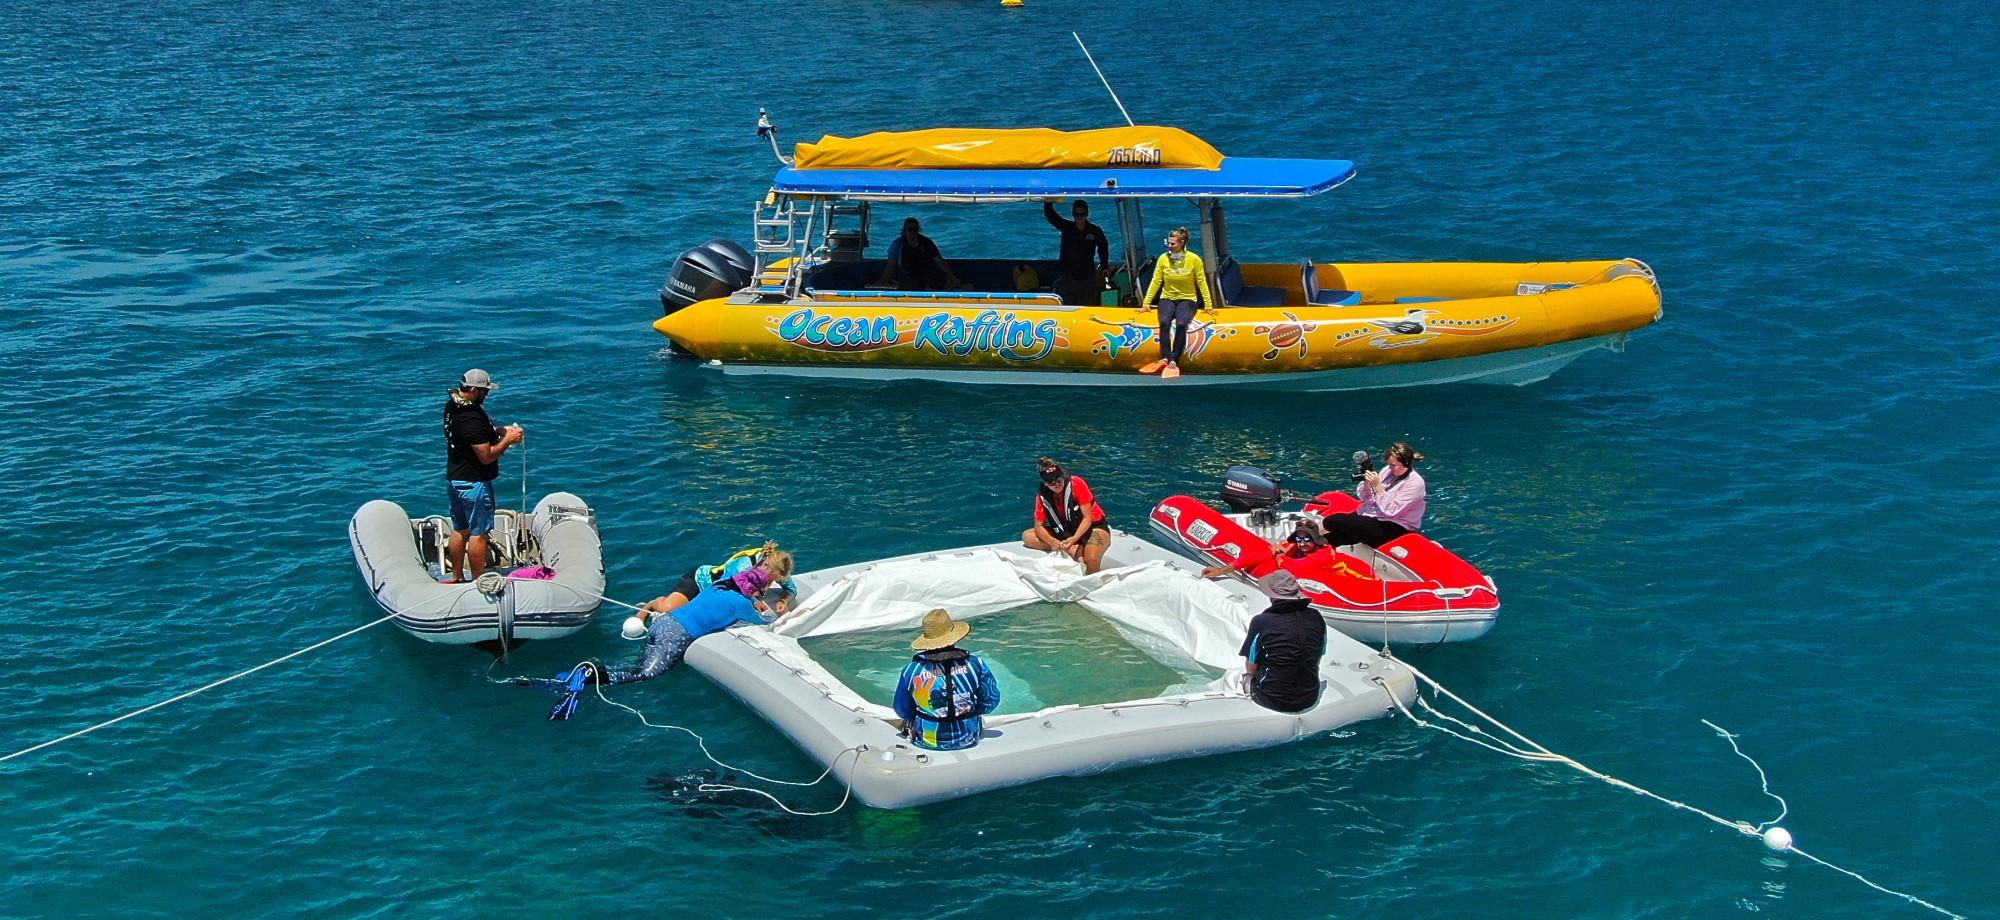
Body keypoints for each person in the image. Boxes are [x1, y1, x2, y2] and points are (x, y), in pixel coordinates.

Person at [441, 369, 523, 584]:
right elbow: (485, 456)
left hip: (455, 477)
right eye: (485, 391)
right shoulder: (472, 417)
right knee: (479, 533)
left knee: (460, 529)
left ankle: (458, 576)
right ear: (475, 390)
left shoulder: (453, 406)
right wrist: (508, 440)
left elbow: (471, 438)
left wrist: (498, 432)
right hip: (474, 483)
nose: (487, 395)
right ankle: (479, 580)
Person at [893, 609, 1002, 751]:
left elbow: (902, 710)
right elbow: (991, 701)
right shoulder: (975, 665)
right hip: (968, 738)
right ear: (954, 637)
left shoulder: (911, 671)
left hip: (926, 741)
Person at [1238, 571, 1327, 713]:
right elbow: (1317, 654)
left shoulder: (1261, 621)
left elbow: (1251, 666)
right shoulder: (1316, 616)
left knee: (1238, 676)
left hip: (1271, 699)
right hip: (1310, 696)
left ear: (1272, 596)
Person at [647, 541, 799, 618]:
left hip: (721, 593)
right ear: (766, 565)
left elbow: (791, 589)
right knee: (668, 609)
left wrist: (783, 601)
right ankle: (651, 604)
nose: (771, 580)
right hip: (701, 582)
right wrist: (754, 601)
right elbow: (729, 585)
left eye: (776, 579)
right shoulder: (745, 565)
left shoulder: (779, 568)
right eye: (770, 577)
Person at [1137, 226, 1212, 380]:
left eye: (1172, 244)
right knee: (1164, 321)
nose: (1169, 246)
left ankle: (1174, 360)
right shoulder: (1163, 259)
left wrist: (1208, 305)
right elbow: (1156, 281)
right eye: (1168, 243)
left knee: (1181, 323)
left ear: (1182, 243)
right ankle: (1165, 357)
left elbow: (1201, 282)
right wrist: (1146, 303)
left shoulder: (1194, 259)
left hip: (1187, 299)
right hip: (1167, 298)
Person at [1321, 441, 1427, 548]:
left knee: (1333, 520)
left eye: (1393, 465)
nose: (1389, 468)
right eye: (1389, 464)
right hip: (1374, 515)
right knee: (1334, 537)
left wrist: (1378, 486)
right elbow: (1365, 497)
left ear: (1406, 463)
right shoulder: (1388, 471)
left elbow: (1391, 511)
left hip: (1394, 525)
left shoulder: (1415, 483)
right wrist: (1367, 484)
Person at [1022, 456, 1110, 574]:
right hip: (1067, 533)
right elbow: (1038, 526)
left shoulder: (1077, 484)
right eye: (1051, 482)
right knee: (1027, 536)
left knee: (1092, 560)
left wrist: (1074, 539)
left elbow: (1087, 518)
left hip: (1093, 528)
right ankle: (1072, 550)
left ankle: (1092, 585)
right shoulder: (1042, 496)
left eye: (1059, 479)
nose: (1057, 484)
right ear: (1046, 484)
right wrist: (1053, 542)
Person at [1201, 517, 1327, 578]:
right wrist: (1221, 571)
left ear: (1316, 540)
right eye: (1299, 538)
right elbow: (1258, 556)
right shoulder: (1293, 546)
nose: (1302, 543)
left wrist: (1279, 554)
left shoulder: (1323, 554)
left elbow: (1288, 567)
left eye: (1307, 539)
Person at [1043, 199, 1110, 306]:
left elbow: (1103, 248)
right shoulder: (1067, 228)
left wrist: (1104, 266)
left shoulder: (1095, 231)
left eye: (1082, 214)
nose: (1079, 217)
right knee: (1067, 308)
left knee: (1085, 308)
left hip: (1087, 277)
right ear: (1073, 214)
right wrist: (1048, 201)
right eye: (1076, 214)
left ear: (1087, 214)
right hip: (1068, 276)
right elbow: (1051, 216)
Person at [875, 217, 964, 290]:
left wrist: (952, 276)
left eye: (915, 229)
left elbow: (939, 261)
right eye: (909, 229)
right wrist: (882, 283)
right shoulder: (897, 245)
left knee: (943, 280)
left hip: (926, 273)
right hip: (907, 275)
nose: (912, 232)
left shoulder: (927, 243)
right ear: (904, 230)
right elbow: (891, 266)